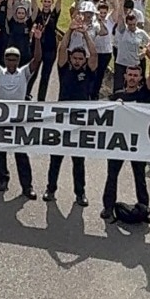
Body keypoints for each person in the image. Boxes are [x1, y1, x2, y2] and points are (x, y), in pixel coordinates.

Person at [43, 18, 98, 207]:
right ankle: (50, 189)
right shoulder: (64, 69)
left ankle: (80, 193)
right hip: (61, 118)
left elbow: (94, 54)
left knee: (78, 160)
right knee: (56, 157)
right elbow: (61, 50)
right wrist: (70, 30)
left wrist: (84, 34)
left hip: (80, 121)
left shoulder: (89, 71)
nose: (76, 61)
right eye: (74, 58)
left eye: (79, 59)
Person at [100, 47, 150, 224]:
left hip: (138, 143)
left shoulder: (144, 93)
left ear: (139, 78)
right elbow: (102, 113)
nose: (132, 78)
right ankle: (108, 207)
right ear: (125, 77)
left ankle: (144, 208)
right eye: (130, 75)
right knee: (112, 175)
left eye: (135, 75)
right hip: (119, 142)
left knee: (139, 177)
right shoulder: (116, 96)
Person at [0, 21, 43, 198]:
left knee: (21, 154)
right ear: (5, 59)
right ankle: (2, 179)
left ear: (18, 61)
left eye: (14, 59)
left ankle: (27, 186)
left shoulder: (24, 73)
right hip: (1, 119)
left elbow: (37, 60)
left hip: (19, 120)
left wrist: (37, 40)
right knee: (0, 152)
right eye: (9, 59)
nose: (11, 62)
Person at [30, 0, 68, 102]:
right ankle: (27, 94)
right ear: (42, 2)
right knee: (33, 73)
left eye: (48, 1)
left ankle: (41, 99)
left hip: (50, 49)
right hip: (37, 48)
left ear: (51, 3)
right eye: (45, 1)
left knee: (45, 76)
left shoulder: (54, 14)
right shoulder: (37, 13)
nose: (46, 3)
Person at [112, 1, 150, 92]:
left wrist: (144, 52)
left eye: (134, 24)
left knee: (133, 87)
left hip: (134, 64)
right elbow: (120, 17)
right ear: (127, 24)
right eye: (130, 25)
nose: (132, 26)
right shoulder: (123, 31)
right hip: (121, 63)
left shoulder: (140, 33)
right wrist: (121, 2)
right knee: (119, 87)